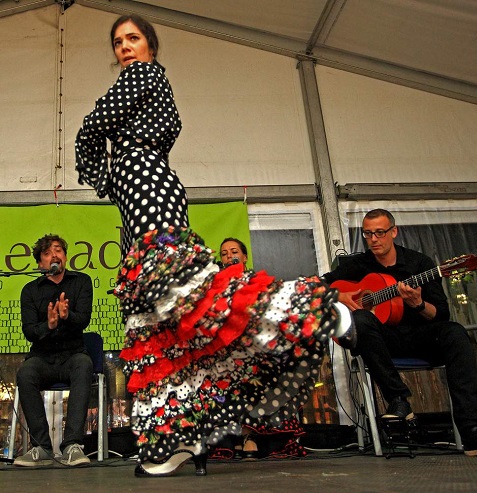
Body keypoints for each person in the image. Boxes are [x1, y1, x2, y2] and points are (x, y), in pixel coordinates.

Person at [75, 14, 354, 477]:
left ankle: (315, 308)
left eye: (133, 38)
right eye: (118, 41)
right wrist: (108, 173)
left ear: (151, 47)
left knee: (190, 303)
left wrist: (99, 158)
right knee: (156, 329)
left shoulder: (143, 76)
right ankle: (176, 441)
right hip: (134, 209)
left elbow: (92, 123)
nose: (124, 47)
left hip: (151, 197)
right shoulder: (140, 96)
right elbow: (99, 142)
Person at [323, 208, 477, 457]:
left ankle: (474, 433)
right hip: (381, 343)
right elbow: (320, 284)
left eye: (380, 233)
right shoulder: (358, 265)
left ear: (394, 232)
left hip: (420, 337)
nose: (373, 239)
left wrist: (419, 305)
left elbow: (441, 314)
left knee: (455, 332)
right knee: (360, 318)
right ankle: (399, 399)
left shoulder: (420, 264)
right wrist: (341, 295)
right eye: (368, 234)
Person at [218, 238, 308, 460]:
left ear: (245, 257)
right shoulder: (216, 287)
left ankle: (250, 436)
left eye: (234, 252)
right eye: (224, 254)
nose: (229, 256)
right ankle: (234, 437)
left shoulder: (258, 282)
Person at [14, 234, 94, 467]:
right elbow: (29, 331)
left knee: (84, 364)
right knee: (25, 373)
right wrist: (48, 325)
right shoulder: (30, 290)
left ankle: (72, 445)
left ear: (65, 257)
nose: (54, 256)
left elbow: (83, 320)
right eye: (47, 253)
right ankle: (42, 448)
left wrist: (66, 317)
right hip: (42, 357)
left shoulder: (81, 282)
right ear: (40, 263)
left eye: (58, 250)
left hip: (73, 354)